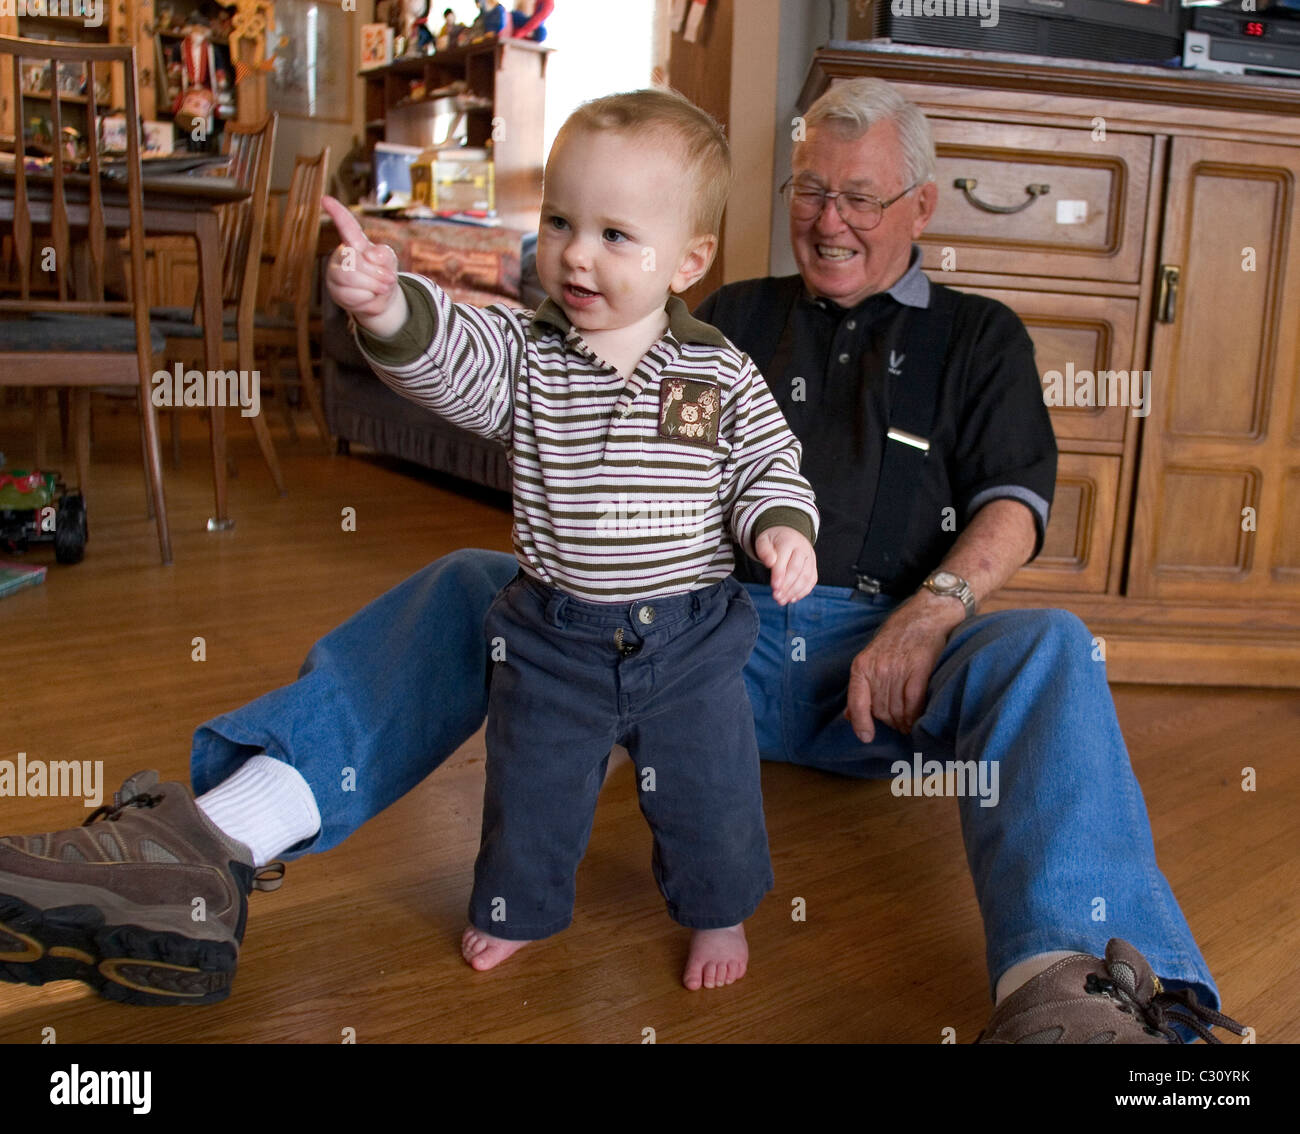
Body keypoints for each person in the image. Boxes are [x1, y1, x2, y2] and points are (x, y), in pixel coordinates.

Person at [0, 78, 1245, 1043]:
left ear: (920, 204)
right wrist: (395, 306)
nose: (829, 218)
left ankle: (1085, 1001)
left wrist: (933, 613)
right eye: (811, 188)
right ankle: (202, 851)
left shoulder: (981, 337)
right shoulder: (720, 318)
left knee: (1050, 648)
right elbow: (506, 356)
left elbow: (1017, 507)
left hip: (901, 652)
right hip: (714, 641)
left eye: (862, 196)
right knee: (476, 588)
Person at [321, 87, 819, 988]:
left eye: (615, 235)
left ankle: (718, 913)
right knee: (530, 791)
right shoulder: (530, 355)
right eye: (559, 221)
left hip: (692, 637)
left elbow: (765, 465)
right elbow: (452, 357)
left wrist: (782, 530)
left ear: (688, 259)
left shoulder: (713, 370)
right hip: (554, 637)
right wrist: (388, 307)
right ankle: (521, 906)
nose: (577, 254)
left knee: (712, 795)